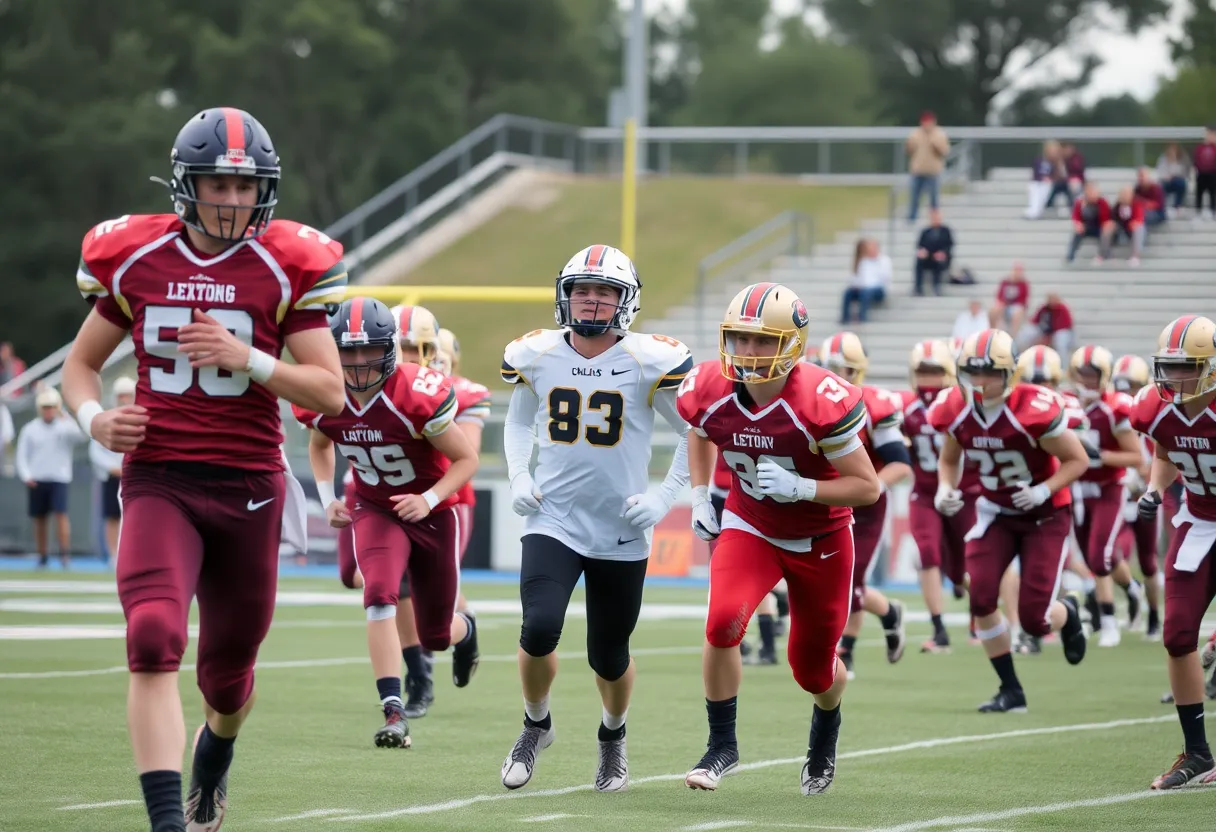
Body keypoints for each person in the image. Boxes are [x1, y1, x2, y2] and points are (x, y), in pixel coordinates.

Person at [60, 107, 348, 832]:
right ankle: (165, 822)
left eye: (246, 187)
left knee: (227, 680)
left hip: (250, 484)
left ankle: (214, 755)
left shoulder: (287, 263)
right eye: (218, 183)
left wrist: (245, 357)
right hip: (162, 478)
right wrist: (95, 420)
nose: (232, 200)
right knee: (153, 637)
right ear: (186, 184)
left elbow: (330, 391)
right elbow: (80, 366)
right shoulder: (134, 256)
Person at [499, 244, 693, 793]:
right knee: (538, 628)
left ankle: (613, 737)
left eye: (603, 291)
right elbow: (517, 425)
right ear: (565, 295)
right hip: (553, 517)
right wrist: (519, 475)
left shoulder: (648, 358)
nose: (590, 300)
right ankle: (536, 723)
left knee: (608, 656)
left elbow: (692, 434)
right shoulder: (535, 353)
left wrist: (664, 498)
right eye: (581, 289)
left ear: (623, 301)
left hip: (620, 528)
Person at [678, 282, 879, 795]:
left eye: (762, 341)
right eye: (739, 338)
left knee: (813, 673)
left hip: (823, 537)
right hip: (751, 524)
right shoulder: (707, 387)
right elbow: (700, 431)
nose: (747, 352)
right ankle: (722, 746)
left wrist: (804, 487)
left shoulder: (819, 399)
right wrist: (701, 495)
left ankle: (824, 735)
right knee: (723, 622)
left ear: (792, 343)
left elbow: (868, 486)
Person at [297, 297, 480, 749]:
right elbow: (320, 445)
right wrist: (327, 499)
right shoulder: (326, 395)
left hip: (432, 513)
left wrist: (429, 497)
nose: (358, 364)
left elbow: (466, 458)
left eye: (368, 351)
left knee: (435, 635)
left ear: (388, 350)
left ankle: (467, 632)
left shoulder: (418, 393)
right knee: (378, 592)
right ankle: (393, 710)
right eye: (349, 352)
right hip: (375, 507)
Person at [930, 329, 1089, 713]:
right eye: (972, 372)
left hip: (1044, 514)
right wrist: (944, 487)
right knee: (981, 599)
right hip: (996, 511)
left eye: (990, 373)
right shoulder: (955, 406)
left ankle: (1067, 613)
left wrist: (1043, 490)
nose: (980, 382)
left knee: (1035, 622)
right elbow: (950, 459)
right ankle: (1010, 690)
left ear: (1010, 374)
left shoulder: (1031, 408)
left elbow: (1078, 460)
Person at [388, 313, 491, 720]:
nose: (411, 355)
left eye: (419, 348)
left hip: (446, 498)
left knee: (432, 591)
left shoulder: (457, 392)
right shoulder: (379, 383)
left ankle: (461, 631)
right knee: (393, 588)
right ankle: (418, 677)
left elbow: (465, 454)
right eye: (405, 346)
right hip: (394, 496)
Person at [1133, 315, 1216, 789]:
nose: (1171, 378)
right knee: (1178, 633)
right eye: (1166, 367)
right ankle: (1199, 753)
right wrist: (1153, 491)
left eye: (1185, 368)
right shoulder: (1155, 407)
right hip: (1198, 521)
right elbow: (1166, 452)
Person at [818, 332, 911, 679]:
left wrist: (870, 487)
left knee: (850, 579)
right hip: (824, 497)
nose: (838, 377)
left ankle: (846, 651)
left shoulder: (873, 404)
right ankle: (888, 613)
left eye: (845, 370)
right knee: (824, 579)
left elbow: (900, 463)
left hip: (865, 505)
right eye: (830, 369)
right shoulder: (807, 400)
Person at [1066, 347, 1147, 648]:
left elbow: (1136, 456)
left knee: (1100, 556)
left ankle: (1109, 620)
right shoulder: (1068, 404)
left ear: (1105, 376)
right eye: (1082, 374)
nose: (1087, 380)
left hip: (1109, 490)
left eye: (1092, 374)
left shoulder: (1116, 407)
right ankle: (1131, 586)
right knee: (1096, 557)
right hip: (1078, 491)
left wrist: (1100, 456)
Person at [900, 340, 975, 653]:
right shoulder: (905, 409)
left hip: (964, 492)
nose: (928, 380)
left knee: (967, 563)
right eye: (922, 373)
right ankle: (939, 629)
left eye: (935, 372)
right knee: (928, 553)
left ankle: (977, 617)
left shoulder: (962, 404)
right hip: (925, 492)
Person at [1110, 354, 1161, 639]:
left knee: (1148, 562)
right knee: (1112, 554)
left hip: (1143, 499)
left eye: (1130, 388)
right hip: (1118, 500)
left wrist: (1143, 476)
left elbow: (1161, 463)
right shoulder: (1111, 419)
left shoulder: (1153, 423)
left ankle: (1154, 615)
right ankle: (1132, 590)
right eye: (1120, 388)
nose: (1125, 395)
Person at [16, 387, 84, 569]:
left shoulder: (65, 426)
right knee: (40, 519)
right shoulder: (30, 429)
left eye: (53, 406)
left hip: (59, 478)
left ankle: (64, 555)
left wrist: (66, 416)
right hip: (37, 478)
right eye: (46, 407)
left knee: (61, 515)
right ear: (40, 408)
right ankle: (42, 555)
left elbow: (80, 436)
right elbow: (21, 455)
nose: (49, 410)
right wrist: (26, 475)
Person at [89, 376, 136, 565]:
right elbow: (95, 450)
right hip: (112, 477)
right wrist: (114, 468)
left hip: (136, 475)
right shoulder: (108, 418)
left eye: (127, 395)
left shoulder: (143, 418)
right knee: (112, 516)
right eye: (121, 395)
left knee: (135, 516)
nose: (124, 399)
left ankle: (132, 554)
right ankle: (114, 555)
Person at [905, 111, 949, 222]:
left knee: (933, 198)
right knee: (914, 196)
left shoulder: (940, 134)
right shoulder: (915, 134)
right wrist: (909, 145)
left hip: (933, 171)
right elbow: (908, 151)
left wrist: (935, 145)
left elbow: (945, 151)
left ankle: (934, 220)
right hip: (918, 170)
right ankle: (912, 218)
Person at [840, 238, 890, 324]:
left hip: (878, 289)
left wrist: (866, 286)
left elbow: (884, 280)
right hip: (864, 288)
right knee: (848, 292)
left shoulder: (884, 261)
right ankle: (845, 318)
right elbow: (859, 278)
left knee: (866, 292)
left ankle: (862, 318)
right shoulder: (864, 261)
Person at [914, 209, 954, 296]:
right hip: (928, 257)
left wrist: (943, 253)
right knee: (919, 260)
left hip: (941, 257)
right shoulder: (925, 231)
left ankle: (937, 287)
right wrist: (922, 251)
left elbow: (949, 245)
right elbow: (920, 245)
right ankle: (918, 287)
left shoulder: (946, 231)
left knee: (939, 260)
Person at [990, 262, 1030, 337]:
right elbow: (999, 296)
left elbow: (1024, 301)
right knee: (994, 310)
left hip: (1016, 306)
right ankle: (993, 333)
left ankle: (1013, 336)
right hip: (1005, 305)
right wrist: (1002, 303)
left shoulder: (1023, 284)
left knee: (1017, 312)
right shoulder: (1005, 282)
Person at [1156, 143, 1191, 214]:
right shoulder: (1163, 158)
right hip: (1166, 181)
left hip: (1177, 180)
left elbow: (1183, 172)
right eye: (1170, 149)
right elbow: (1160, 171)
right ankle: (1163, 207)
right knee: (1162, 185)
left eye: (1174, 150)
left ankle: (1177, 206)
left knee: (1181, 183)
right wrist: (1167, 176)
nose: (1172, 151)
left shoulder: (1181, 159)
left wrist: (1174, 161)